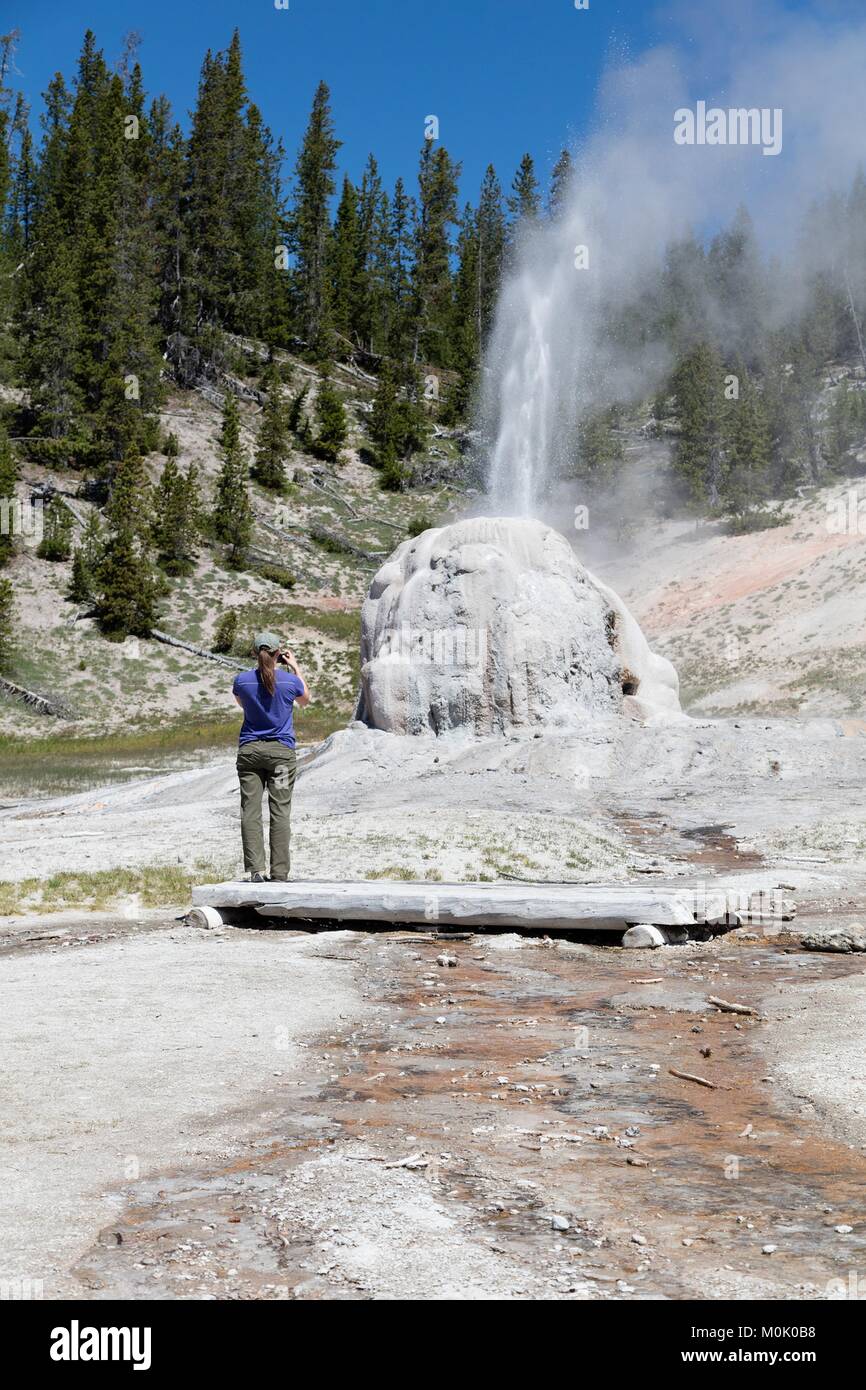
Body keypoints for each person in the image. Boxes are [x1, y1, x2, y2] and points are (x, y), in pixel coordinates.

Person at [232, 631, 310, 883]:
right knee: (279, 811)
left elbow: (242, 704)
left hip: (250, 752)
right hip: (280, 755)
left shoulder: (242, 681)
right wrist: (295, 666)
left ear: (255, 654)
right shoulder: (289, 681)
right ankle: (279, 873)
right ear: (279, 654)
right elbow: (305, 700)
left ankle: (256, 871)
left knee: (250, 811)